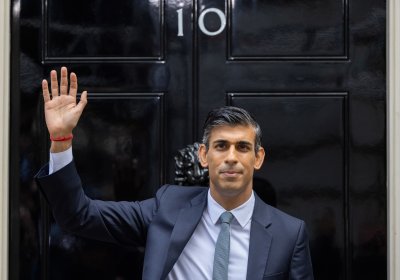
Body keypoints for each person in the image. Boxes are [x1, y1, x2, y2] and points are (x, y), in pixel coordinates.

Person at [35, 67, 314, 280]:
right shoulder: (167, 208)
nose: (231, 157)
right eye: (221, 146)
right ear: (204, 156)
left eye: (242, 147)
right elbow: (78, 216)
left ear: (258, 157)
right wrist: (61, 140)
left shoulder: (289, 233)